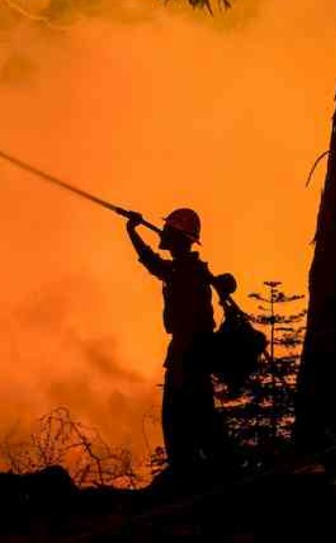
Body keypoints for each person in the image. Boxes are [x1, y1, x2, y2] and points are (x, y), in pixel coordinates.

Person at [124, 207, 229, 483]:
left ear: (177, 238)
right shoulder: (188, 269)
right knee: (193, 414)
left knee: (180, 416)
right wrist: (132, 232)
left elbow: (153, 263)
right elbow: (156, 265)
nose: (165, 235)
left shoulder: (186, 271)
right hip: (189, 352)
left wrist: (132, 231)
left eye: (169, 232)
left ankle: (201, 473)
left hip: (189, 353)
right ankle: (209, 469)